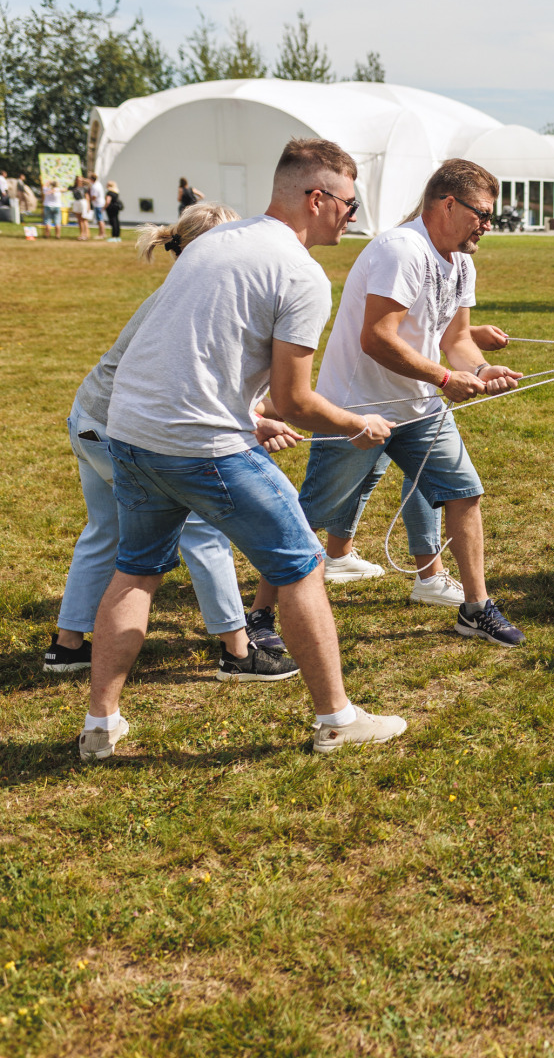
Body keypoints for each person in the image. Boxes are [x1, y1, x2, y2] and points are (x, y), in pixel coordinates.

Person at [84, 137, 407, 761]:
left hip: (129, 432)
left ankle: (101, 727)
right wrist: (355, 424)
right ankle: (337, 719)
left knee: (136, 569)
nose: (353, 216)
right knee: (303, 565)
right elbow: (292, 402)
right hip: (200, 446)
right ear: (316, 198)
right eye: (347, 202)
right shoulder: (301, 273)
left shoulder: (210, 241)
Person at [266, 159, 527, 646]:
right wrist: (446, 376)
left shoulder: (462, 261)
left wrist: (477, 370)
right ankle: (262, 616)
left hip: (421, 410)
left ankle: (475, 607)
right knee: (308, 517)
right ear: (448, 204)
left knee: (465, 494)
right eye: (482, 215)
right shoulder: (400, 250)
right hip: (357, 410)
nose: (488, 226)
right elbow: (377, 338)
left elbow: (458, 337)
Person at [46, 203, 297, 680]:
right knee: (203, 529)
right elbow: (187, 388)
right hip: (125, 429)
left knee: (104, 533)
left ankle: (67, 646)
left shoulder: (182, 288)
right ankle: (239, 652)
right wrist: (255, 421)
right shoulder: (197, 297)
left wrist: (255, 418)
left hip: (89, 417)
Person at [90, 174, 107, 238]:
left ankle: (101, 234)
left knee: (100, 219)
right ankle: (102, 233)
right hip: (100, 203)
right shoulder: (98, 184)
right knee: (100, 219)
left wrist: (88, 199)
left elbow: (94, 196)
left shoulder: (95, 186)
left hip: (98, 204)